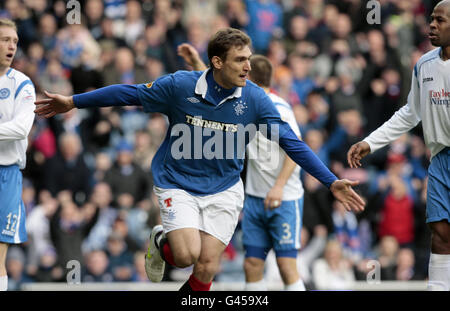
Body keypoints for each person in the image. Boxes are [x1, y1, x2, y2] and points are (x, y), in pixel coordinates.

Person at [35, 27, 365, 291]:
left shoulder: (254, 98)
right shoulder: (180, 86)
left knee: (207, 266)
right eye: (240, 60)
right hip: (177, 182)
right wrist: (74, 101)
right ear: (217, 63)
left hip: (223, 188)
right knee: (185, 256)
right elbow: (129, 93)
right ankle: (161, 242)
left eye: (249, 59)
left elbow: (292, 144)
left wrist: (331, 181)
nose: (248, 67)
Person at [178, 45, 306, 290]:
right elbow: (212, 86)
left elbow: (296, 150)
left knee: (286, 265)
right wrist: (196, 62)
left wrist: (278, 187)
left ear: (251, 80)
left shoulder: (278, 110)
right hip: (255, 197)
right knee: (252, 264)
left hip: (285, 198)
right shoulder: (243, 105)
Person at [347, 0, 450, 291]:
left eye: (440, 20)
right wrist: (370, 142)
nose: (432, 25)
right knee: (440, 230)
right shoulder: (424, 65)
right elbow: (409, 112)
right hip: (441, 158)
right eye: (431, 19)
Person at [0, 18, 36, 291]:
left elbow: (22, 128)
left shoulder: (22, 84)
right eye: (4, 40)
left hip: (6, 175)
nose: (11, 46)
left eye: (14, 41)